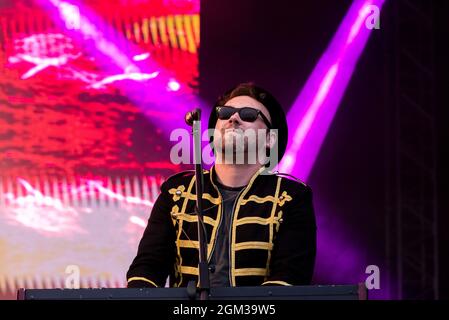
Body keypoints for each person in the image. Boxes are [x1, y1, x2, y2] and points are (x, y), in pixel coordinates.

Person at [126, 82, 316, 288]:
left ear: (270, 139)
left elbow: (288, 280)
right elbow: (147, 269)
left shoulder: (291, 197)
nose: (233, 118)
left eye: (249, 114)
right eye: (225, 113)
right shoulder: (177, 192)